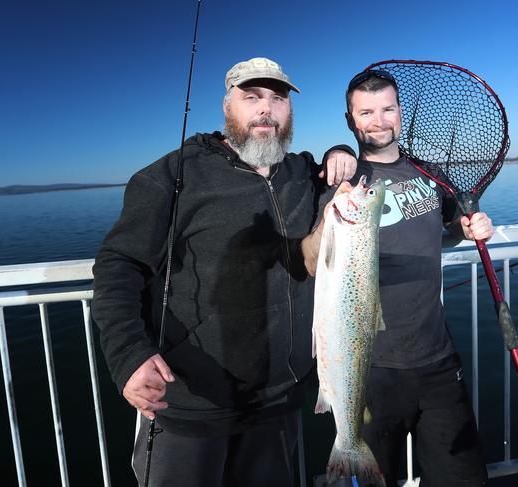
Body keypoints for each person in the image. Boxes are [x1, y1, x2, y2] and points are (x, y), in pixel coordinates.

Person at [91, 57, 355, 487]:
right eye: (251, 98)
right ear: (227, 107)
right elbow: (119, 266)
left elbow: (354, 201)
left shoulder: (304, 173)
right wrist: (129, 356)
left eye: (277, 98)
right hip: (190, 404)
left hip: (277, 401)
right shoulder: (174, 175)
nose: (265, 109)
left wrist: (341, 152)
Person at [303, 69, 492, 486]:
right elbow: (311, 260)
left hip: (438, 357)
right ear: (351, 120)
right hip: (369, 367)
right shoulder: (340, 180)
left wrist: (468, 228)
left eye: (388, 108)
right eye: (366, 112)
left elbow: (450, 229)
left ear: (400, 112)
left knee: (464, 478)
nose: (379, 120)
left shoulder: (429, 173)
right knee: (375, 478)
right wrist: (336, 159)